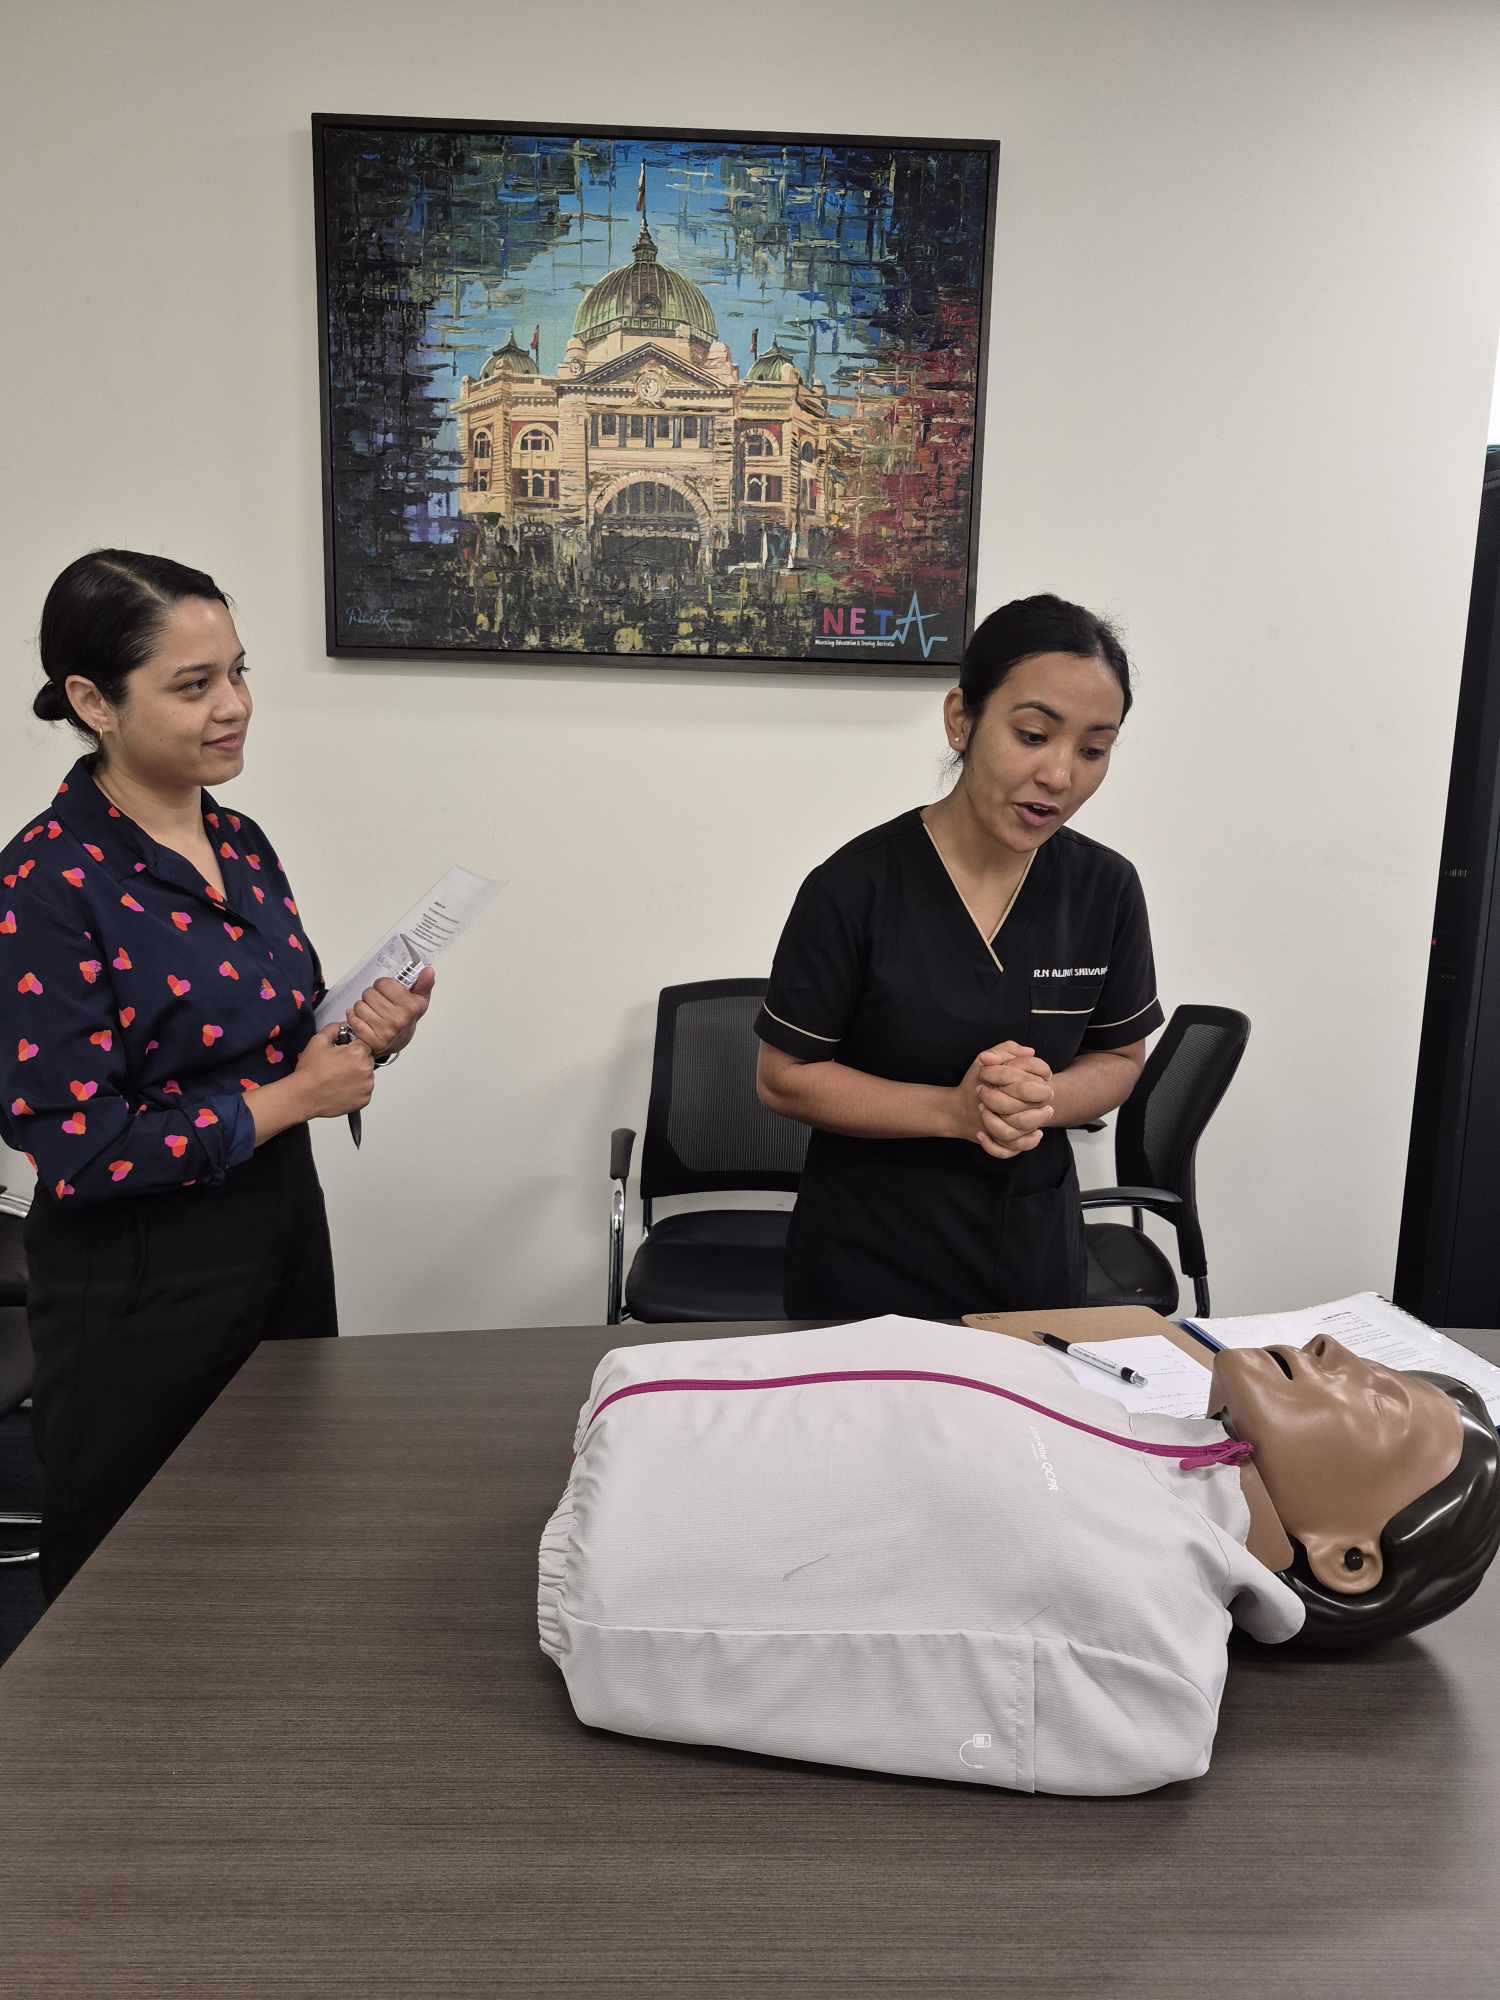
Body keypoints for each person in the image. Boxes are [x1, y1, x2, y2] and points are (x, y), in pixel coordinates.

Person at [537, 1318, 1500, 1796]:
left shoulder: (1146, 1642)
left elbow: (876, 1673)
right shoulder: (1096, 1406)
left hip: (622, 1559)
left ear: (1348, 1561)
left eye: (1380, 1401)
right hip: (636, 1412)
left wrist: (614, 1616)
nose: (1332, 1346)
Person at [0, 549, 436, 1599]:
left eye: (238, 672)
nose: (233, 706)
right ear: (93, 702)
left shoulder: (239, 841)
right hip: (136, 1278)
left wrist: (364, 1033)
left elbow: (277, 1036)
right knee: (136, 1575)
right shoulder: (46, 882)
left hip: (279, 1232)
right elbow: (79, 1146)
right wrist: (296, 1097)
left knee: (281, 1533)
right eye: (193, 685)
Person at [755, 594, 1162, 1321]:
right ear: (961, 720)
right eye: (1033, 735)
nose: (1060, 775)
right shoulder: (854, 886)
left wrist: (1042, 1098)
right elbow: (784, 1078)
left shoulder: (1104, 889)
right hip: (867, 1256)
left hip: (1031, 1254)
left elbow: (1120, 1059)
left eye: (1093, 750)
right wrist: (952, 1110)